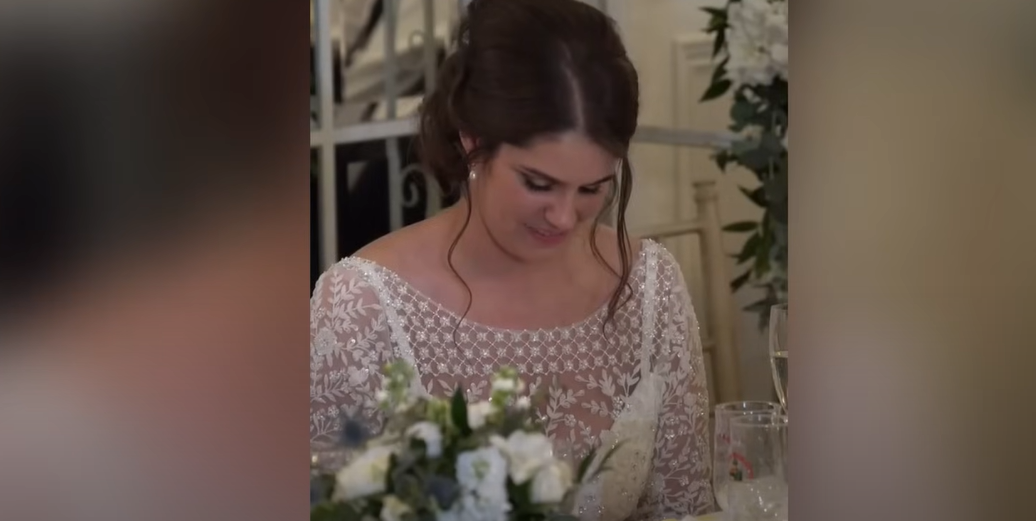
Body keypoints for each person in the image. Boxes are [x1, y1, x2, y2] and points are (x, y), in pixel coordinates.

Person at [309, 0, 714, 519]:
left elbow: (687, 508)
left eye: (593, 188)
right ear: (473, 139)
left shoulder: (649, 287)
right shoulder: (361, 307)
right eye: (538, 184)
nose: (565, 218)